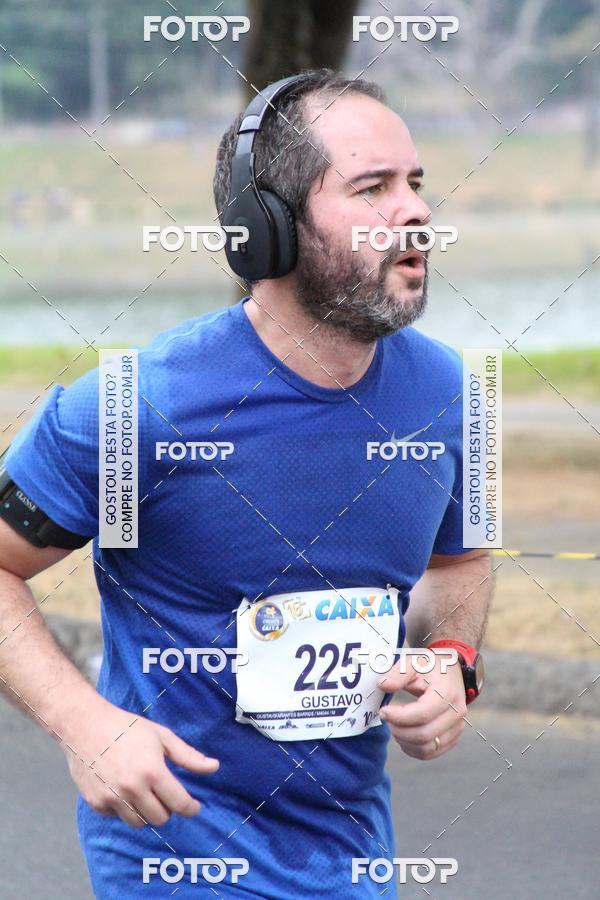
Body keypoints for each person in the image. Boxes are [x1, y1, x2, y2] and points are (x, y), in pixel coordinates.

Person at [0, 69, 491, 898]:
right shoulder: (141, 408)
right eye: (371, 188)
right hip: (175, 862)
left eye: (414, 183)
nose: (414, 212)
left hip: (354, 862)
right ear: (266, 228)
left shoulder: (451, 397)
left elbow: (459, 561)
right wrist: (83, 723)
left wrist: (451, 658)